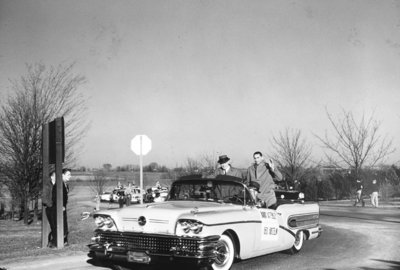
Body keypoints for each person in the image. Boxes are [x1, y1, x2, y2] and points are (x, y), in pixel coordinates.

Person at [52, 168, 71, 246]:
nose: (70, 176)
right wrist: (60, 205)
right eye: (68, 175)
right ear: (62, 175)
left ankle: (63, 241)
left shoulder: (65, 185)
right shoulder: (58, 185)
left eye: (70, 175)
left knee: (64, 224)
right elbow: (54, 196)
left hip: (63, 208)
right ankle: (57, 242)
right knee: (60, 224)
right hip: (59, 208)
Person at [43, 171, 56, 248]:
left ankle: (54, 242)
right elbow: (44, 199)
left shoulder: (58, 185)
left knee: (56, 226)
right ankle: (52, 242)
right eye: (55, 175)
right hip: (50, 208)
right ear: (51, 176)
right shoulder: (47, 186)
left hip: (57, 208)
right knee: (53, 226)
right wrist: (50, 205)